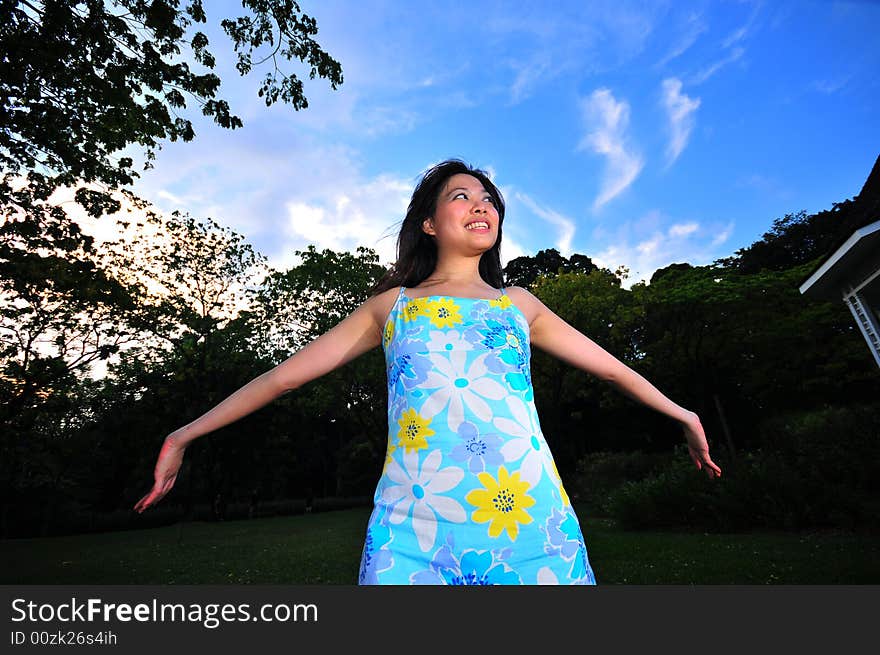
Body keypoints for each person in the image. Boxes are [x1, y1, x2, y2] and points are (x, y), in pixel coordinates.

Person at [134, 158, 722, 585]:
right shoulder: (392, 308)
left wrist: (684, 414)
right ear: (430, 224)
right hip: (412, 529)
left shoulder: (518, 306)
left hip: (531, 527)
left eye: (489, 200)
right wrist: (182, 434)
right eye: (463, 196)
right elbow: (283, 376)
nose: (482, 205)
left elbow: (615, 371)